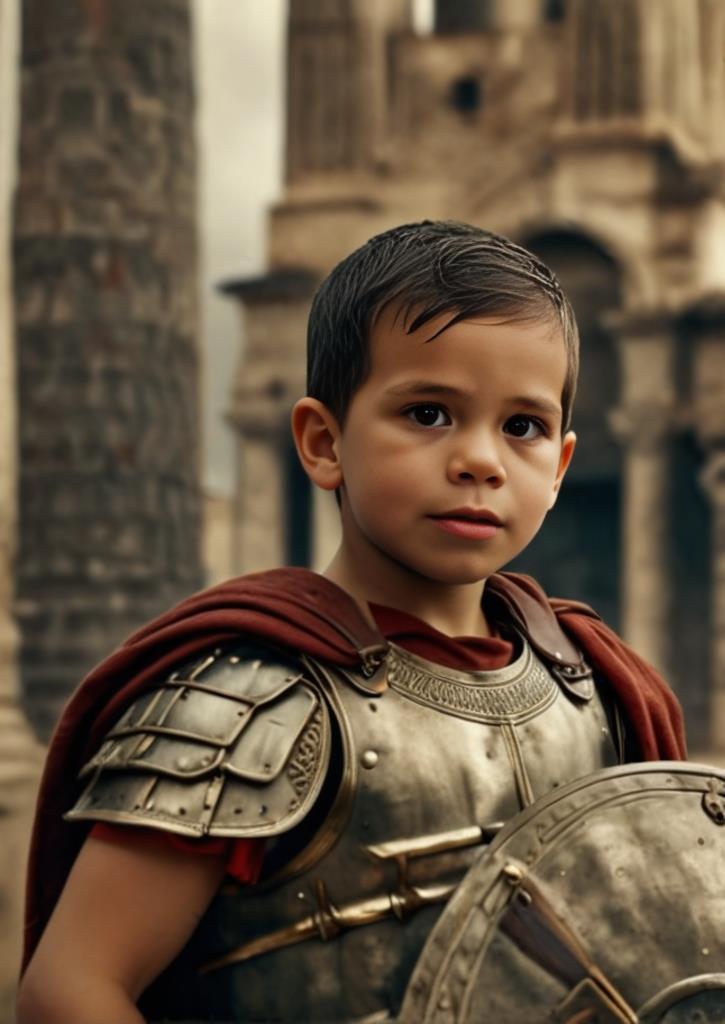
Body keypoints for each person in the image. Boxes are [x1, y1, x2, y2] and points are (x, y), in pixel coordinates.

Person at [17, 220, 686, 1024]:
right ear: (324, 442)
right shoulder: (245, 709)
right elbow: (72, 989)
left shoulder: (597, 690)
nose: (482, 459)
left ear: (559, 469)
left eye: (523, 427)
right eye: (430, 413)